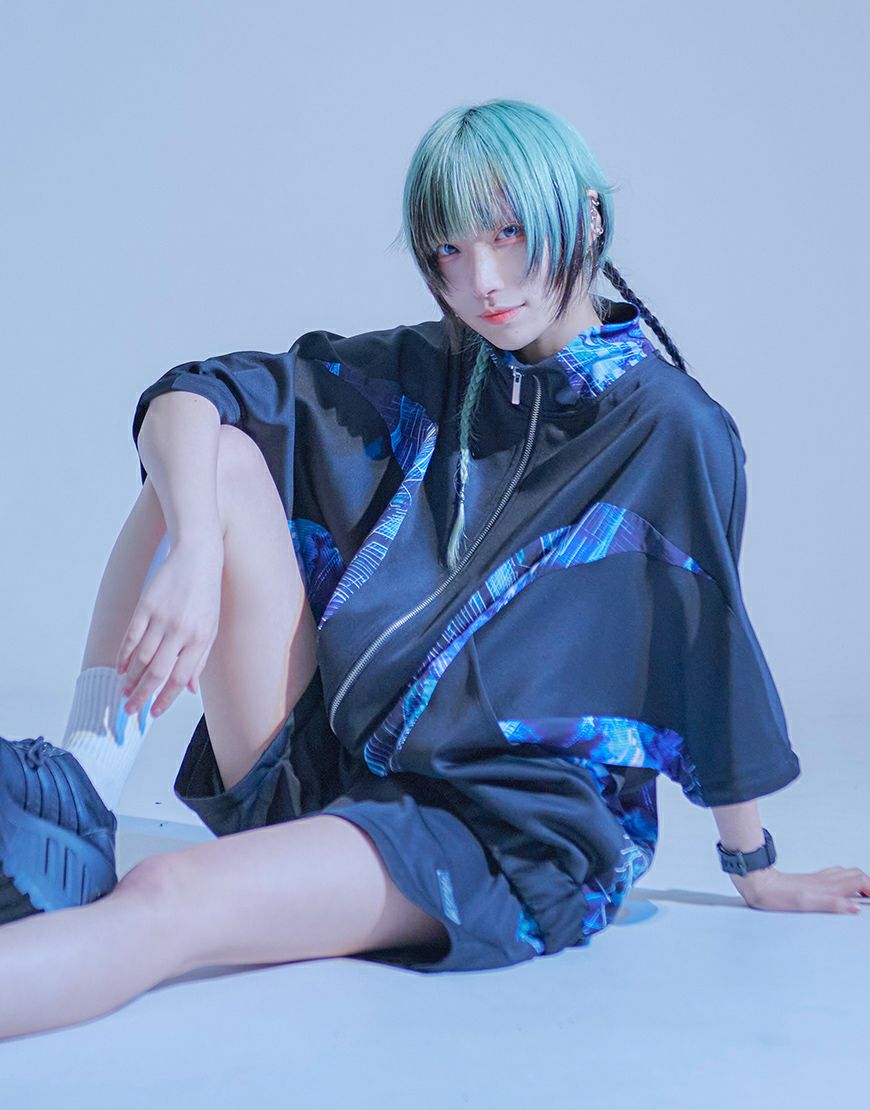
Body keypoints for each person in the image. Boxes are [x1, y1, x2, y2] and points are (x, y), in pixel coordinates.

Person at [1, 98, 867, 1041]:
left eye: (508, 234)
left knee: (170, 894)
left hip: (491, 834)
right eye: (449, 249)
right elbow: (190, 393)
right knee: (212, 454)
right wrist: (199, 549)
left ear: (586, 217)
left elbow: (709, 644)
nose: (481, 281)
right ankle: (84, 789)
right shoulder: (440, 366)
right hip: (331, 767)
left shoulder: (673, 429)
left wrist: (755, 866)